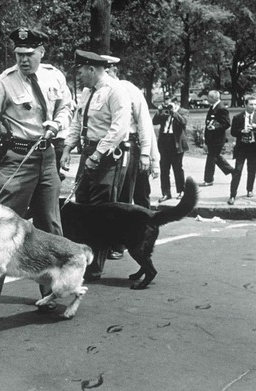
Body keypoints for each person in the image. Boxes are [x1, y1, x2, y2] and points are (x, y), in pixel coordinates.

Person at [0, 27, 73, 318]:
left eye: (29, 54)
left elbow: (66, 107)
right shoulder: (4, 83)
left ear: (41, 52)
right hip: (17, 158)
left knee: (50, 227)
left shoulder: (54, 76)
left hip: (46, 157)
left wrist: (57, 124)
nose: (24, 60)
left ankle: (50, 294)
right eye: (19, 54)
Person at [60, 49, 131, 281]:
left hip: (107, 156)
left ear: (92, 69)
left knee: (101, 211)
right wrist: (68, 148)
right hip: (88, 152)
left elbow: (119, 128)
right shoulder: (87, 92)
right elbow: (78, 121)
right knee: (83, 206)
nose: (79, 76)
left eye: (81, 71)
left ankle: (95, 267)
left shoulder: (116, 90)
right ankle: (83, 258)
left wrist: (98, 154)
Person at [102, 55, 155, 260]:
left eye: (107, 71)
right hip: (104, 147)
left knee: (124, 197)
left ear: (114, 71)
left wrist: (145, 154)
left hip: (127, 146)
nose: (104, 76)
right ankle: (106, 240)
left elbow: (144, 123)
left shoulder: (128, 89)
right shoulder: (94, 91)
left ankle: (121, 243)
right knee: (106, 197)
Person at [227, 95, 256, 205]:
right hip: (242, 147)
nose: (253, 107)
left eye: (255, 104)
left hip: (254, 147)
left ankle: (249, 190)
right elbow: (233, 132)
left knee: (252, 170)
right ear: (245, 105)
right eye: (251, 104)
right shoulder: (238, 117)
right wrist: (242, 131)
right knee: (237, 171)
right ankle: (232, 195)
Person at [152, 93, 189, 202]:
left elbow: (183, 122)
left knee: (178, 168)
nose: (168, 106)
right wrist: (159, 112)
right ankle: (166, 193)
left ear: (176, 103)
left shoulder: (183, 111)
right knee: (164, 169)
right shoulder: (164, 111)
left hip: (176, 143)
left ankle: (181, 191)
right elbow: (155, 122)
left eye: (170, 103)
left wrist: (174, 112)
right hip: (164, 142)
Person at [201, 90, 233, 186]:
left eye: (209, 97)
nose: (207, 99)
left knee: (211, 157)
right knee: (216, 157)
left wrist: (216, 127)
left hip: (217, 139)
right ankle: (234, 172)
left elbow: (227, 123)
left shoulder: (221, 108)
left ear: (213, 98)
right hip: (211, 138)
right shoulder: (213, 107)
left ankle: (208, 179)